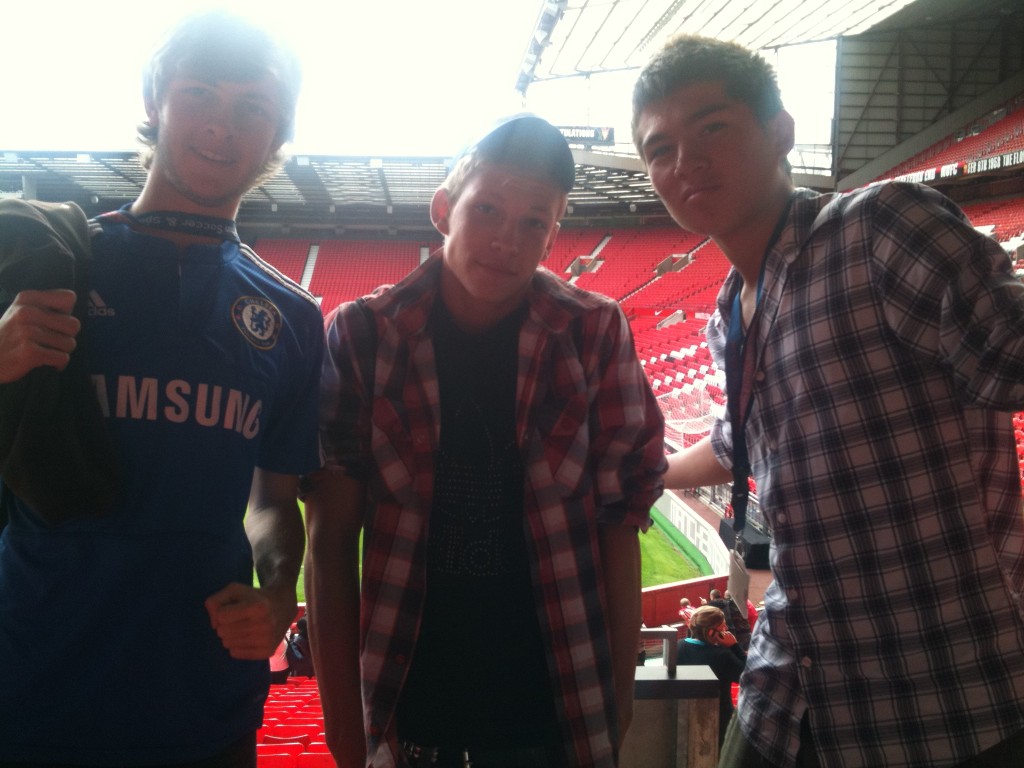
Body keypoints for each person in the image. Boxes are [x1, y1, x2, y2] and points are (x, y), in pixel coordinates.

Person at [632, 33, 1024, 768]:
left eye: (711, 127)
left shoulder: (879, 229)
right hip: (790, 685)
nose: (683, 161)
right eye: (659, 148)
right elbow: (733, 440)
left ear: (780, 131)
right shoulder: (729, 313)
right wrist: (638, 473)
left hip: (944, 692)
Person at [0, 11, 323, 766]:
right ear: (155, 102)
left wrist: (279, 596)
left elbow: (275, 501)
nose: (222, 124)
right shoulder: (48, 264)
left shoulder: (294, 318)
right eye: (200, 93)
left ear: (278, 134)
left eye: (253, 107)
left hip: (200, 700)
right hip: (34, 683)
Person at [303, 114, 667, 768]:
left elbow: (621, 523)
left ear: (555, 233)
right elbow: (329, 539)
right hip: (407, 707)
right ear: (444, 209)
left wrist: (615, 701)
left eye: (535, 221)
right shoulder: (361, 334)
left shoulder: (594, 332)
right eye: (489, 209)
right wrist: (343, 729)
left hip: (555, 711)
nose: (508, 238)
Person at [677, 605, 746, 747]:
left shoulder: (678, 646)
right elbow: (747, 675)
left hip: (684, 714)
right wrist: (734, 646)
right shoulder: (722, 655)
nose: (726, 628)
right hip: (719, 718)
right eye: (723, 626)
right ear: (710, 632)